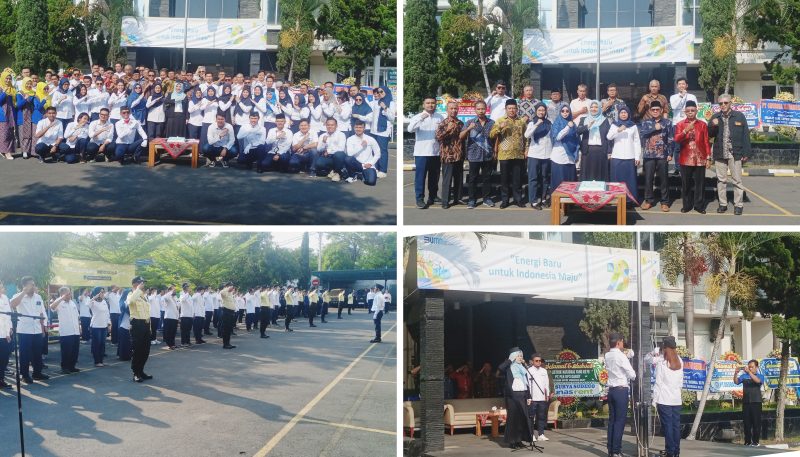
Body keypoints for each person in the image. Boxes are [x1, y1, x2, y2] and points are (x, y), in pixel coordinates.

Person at [709, 93, 751, 216]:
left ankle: (738, 205)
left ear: (730, 103)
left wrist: (746, 152)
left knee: (737, 181)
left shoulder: (739, 116)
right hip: (720, 152)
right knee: (721, 180)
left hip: (735, 153)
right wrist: (713, 125)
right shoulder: (715, 117)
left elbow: (745, 136)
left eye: (725, 103)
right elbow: (709, 134)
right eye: (720, 103)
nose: (723, 105)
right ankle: (723, 204)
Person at [649, 336, 684, 457]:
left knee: (668, 427)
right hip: (676, 399)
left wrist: (654, 400)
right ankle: (676, 452)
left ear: (665, 348)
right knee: (675, 427)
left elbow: (658, 383)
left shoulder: (662, 363)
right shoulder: (680, 361)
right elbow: (680, 382)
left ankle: (670, 452)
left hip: (664, 400)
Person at [10, 276, 49, 384]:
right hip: (24, 330)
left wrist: (42, 328)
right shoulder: (18, 296)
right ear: (25, 285)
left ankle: (37, 373)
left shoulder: (38, 297)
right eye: (31, 284)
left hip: (36, 329)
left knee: (37, 353)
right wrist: (23, 292)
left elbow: (41, 313)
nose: (33, 286)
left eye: (33, 284)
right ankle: (25, 375)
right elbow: (12, 304)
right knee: (25, 354)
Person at [490, 99, 528, 208]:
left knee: (518, 179)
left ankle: (518, 199)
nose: (512, 110)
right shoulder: (500, 120)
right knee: (504, 179)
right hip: (504, 154)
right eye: (509, 108)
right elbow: (491, 135)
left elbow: (526, 137)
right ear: (506, 109)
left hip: (518, 154)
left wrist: (526, 149)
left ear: (517, 109)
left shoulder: (521, 121)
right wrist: (499, 127)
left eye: (513, 108)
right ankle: (505, 200)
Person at [674, 100, 710, 214]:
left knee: (700, 183)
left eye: (692, 110)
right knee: (686, 184)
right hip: (686, 158)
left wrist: (708, 158)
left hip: (700, 158)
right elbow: (677, 139)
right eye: (688, 111)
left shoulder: (703, 124)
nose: (690, 112)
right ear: (685, 111)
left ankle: (699, 205)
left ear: (696, 111)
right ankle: (687, 205)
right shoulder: (680, 124)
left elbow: (706, 142)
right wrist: (686, 130)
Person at [408, 97, 444, 208]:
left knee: (435, 176)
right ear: (424, 105)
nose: (430, 105)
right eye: (428, 103)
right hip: (421, 153)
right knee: (420, 177)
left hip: (435, 152)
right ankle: (419, 199)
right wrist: (421, 119)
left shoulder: (440, 117)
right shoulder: (417, 117)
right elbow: (410, 129)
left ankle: (433, 196)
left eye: (433, 103)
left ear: (436, 104)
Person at [604, 332, 636, 457]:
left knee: (612, 421)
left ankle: (611, 450)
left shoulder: (607, 355)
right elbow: (632, 374)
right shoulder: (621, 356)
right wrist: (626, 358)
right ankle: (616, 451)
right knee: (620, 421)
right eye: (622, 341)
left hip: (611, 390)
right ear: (618, 342)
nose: (623, 344)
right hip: (621, 390)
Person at [639, 101, 674, 211]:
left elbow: (671, 139)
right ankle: (648, 200)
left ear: (661, 110)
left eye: (657, 109)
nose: (655, 111)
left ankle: (665, 202)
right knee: (648, 179)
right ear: (650, 111)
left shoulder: (667, 122)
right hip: (649, 155)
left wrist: (670, 153)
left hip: (662, 154)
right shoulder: (646, 122)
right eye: (653, 109)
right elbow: (642, 134)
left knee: (664, 179)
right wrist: (655, 128)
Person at [461, 100, 495, 208]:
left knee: (487, 178)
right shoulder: (470, 122)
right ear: (475, 110)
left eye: (483, 109)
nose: (481, 111)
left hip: (487, 154)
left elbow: (495, 139)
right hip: (474, 154)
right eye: (478, 109)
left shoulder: (492, 123)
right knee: (473, 178)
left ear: (486, 109)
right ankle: (472, 199)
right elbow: (461, 136)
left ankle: (487, 198)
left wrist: (495, 152)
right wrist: (469, 129)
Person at [498, 347, 532, 449]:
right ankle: (512, 441)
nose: (520, 357)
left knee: (522, 419)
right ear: (513, 356)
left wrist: (528, 396)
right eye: (518, 355)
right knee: (513, 419)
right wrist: (510, 360)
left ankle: (519, 440)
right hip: (512, 397)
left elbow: (527, 383)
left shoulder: (522, 367)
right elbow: (500, 368)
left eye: (521, 355)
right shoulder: (509, 366)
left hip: (522, 395)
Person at [607, 106, 642, 204]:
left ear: (628, 114)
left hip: (629, 156)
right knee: (617, 179)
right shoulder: (614, 125)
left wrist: (637, 156)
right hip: (617, 156)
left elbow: (636, 142)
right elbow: (609, 137)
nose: (623, 114)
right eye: (621, 112)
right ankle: (615, 199)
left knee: (629, 180)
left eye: (625, 113)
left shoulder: (633, 126)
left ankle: (630, 200)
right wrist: (618, 130)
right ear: (619, 114)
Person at [435, 101, 465, 209]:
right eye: (451, 108)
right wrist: (447, 129)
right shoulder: (443, 123)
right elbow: (438, 137)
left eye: (455, 109)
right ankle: (445, 201)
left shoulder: (460, 123)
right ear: (447, 110)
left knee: (459, 178)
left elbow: (462, 139)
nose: (454, 110)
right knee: (447, 179)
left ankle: (458, 198)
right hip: (448, 155)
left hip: (459, 155)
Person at [524, 102, 552, 210]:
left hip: (547, 155)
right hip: (534, 154)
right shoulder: (532, 123)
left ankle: (544, 198)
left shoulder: (549, 123)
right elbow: (526, 135)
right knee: (533, 178)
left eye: (543, 110)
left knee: (545, 178)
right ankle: (534, 201)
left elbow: (552, 138)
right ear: (536, 111)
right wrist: (536, 125)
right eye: (539, 110)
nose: (541, 112)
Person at [576, 100, 611, 181]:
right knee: (587, 173)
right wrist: (587, 126)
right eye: (591, 107)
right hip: (587, 150)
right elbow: (578, 131)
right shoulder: (584, 119)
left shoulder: (604, 120)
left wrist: (609, 151)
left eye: (596, 107)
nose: (593, 109)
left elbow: (608, 137)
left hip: (601, 150)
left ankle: (600, 192)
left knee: (600, 173)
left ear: (599, 108)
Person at [126, 276, 152, 382]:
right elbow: (130, 302)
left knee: (145, 350)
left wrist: (149, 327)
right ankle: (135, 373)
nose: (143, 285)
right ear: (134, 284)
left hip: (145, 324)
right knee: (137, 350)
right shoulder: (131, 294)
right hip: (137, 324)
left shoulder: (143, 296)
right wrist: (137, 290)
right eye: (141, 283)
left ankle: (141, 371)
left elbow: (147, 313)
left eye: (143, 283)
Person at [49, 287, 80, 374]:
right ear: (62, 294)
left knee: (75, 350)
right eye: (67, 293)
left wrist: (79, 327)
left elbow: (76, 316)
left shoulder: (72, 303)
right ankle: (65, 367)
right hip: (66, 332)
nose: (70, 295)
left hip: (75, 331)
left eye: (70, 293)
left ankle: (72, 366)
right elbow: (52, 307)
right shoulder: (59, 303)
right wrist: (62, 298)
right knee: (66, 351)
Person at [669, 77, 698, 174]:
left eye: (683, 84)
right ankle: (677, 168)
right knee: (677, 147)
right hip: (677, 124)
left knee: (689, 146)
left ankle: (689, 165)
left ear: (687, 85)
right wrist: (681, 96)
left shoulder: (692, 96)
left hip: (689, 124)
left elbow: (695, 109)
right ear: (677, 86)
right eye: (679, 84)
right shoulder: (673, 97)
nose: (681, 85)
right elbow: (673, 107)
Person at [734, 359, 765, 447]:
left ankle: (756, 442)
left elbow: (758, 381)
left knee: (756, 423)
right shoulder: (744, 376)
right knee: (747, 423)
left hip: (756, 402)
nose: (750, 368)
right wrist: (736, 373)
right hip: (746, 402)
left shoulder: (760, 376)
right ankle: (747, 441)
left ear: (756, 367)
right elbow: (736, 382)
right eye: (749, 367)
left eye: (752, 367)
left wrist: (749, 373)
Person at [550, 105, 580, 191]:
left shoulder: (573, 124)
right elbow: (557, 137)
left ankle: (569, 203)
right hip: (559, 156)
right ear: (560, 112)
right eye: (563, 111)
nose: (565, 113)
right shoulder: (557, 123)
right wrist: (567, 127)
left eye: (567, 111)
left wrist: (576, 153)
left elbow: (576, 139)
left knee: (569, 180)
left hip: (570, 156)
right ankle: (558, 203)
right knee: (559, 181)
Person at [342, 120, 381, 185]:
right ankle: (353, 175)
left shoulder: (370, 139)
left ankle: (363, 174)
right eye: (356, 127)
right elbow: (349, 153)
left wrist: (371, 163)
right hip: (356, 164)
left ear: (364, 128)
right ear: (354, 128)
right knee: (348, 159)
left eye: (360, 127)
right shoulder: (350, 139)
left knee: (371, 182)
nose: (358, 129)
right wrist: (361, 146)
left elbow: (378, 153)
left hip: (368, 165)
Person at [526, 354, 553, 441]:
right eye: (536, 361)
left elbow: (546, 384)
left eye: (540, 361)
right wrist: (528, 397)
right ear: (532, 361)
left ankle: (541, 434)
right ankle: (532, 435)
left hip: (542, 398)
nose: (538, 362)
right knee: (531, 417)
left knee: (541, 417)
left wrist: (547, 395)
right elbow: (528, 385)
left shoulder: (544, 371)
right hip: (533, 398)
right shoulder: (529, 371)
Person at [370, 85, 395, 177]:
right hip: (374, 130)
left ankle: (383, 170)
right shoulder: (377, 102)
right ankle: (375, 168)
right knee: (374, 149)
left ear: (386, 92)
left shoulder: (391, 103)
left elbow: (392, 118)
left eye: (382, 92)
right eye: (378, 92)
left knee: (382, 150)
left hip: (384, 131)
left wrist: (385, 108)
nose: (380, 94)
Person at [88, 287, 110, 367]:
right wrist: (95, 297)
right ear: (97, 293)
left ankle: (101, 360)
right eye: (101, 292)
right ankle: (97, 361)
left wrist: (109, 324)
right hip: (96, 326)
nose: (103, 294)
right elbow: (88, 304)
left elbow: (107, 313)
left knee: (102, 344)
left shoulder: (104, 301)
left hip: (104, 326)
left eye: (103, 292)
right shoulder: (93, 301)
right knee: (96, 344)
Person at [219, 283, 237, 349]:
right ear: (227, 286)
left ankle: (228, 343)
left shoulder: (230, 293)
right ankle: (225, 344)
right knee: (226, 329)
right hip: (226, 312)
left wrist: (230, 291)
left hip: (231, 312)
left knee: (229, 329)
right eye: (231, 286)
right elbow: (222, 293)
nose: (232, 288)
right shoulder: (224, 291)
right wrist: (228, 289)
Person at [0, 282, 11, 389]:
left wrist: (9, 330)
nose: (2, 289)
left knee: (4, 358)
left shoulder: (5, 298)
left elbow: (8, 315)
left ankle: (1, 379)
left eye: (2, 287)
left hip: (5, 334)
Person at [117, 288, 132, 361]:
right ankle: (123, 356)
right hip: (123, 324)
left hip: (129, 325)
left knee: (128, 342)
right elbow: (123, 308)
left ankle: (127, 355)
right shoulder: (123, 301)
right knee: (124, 342)